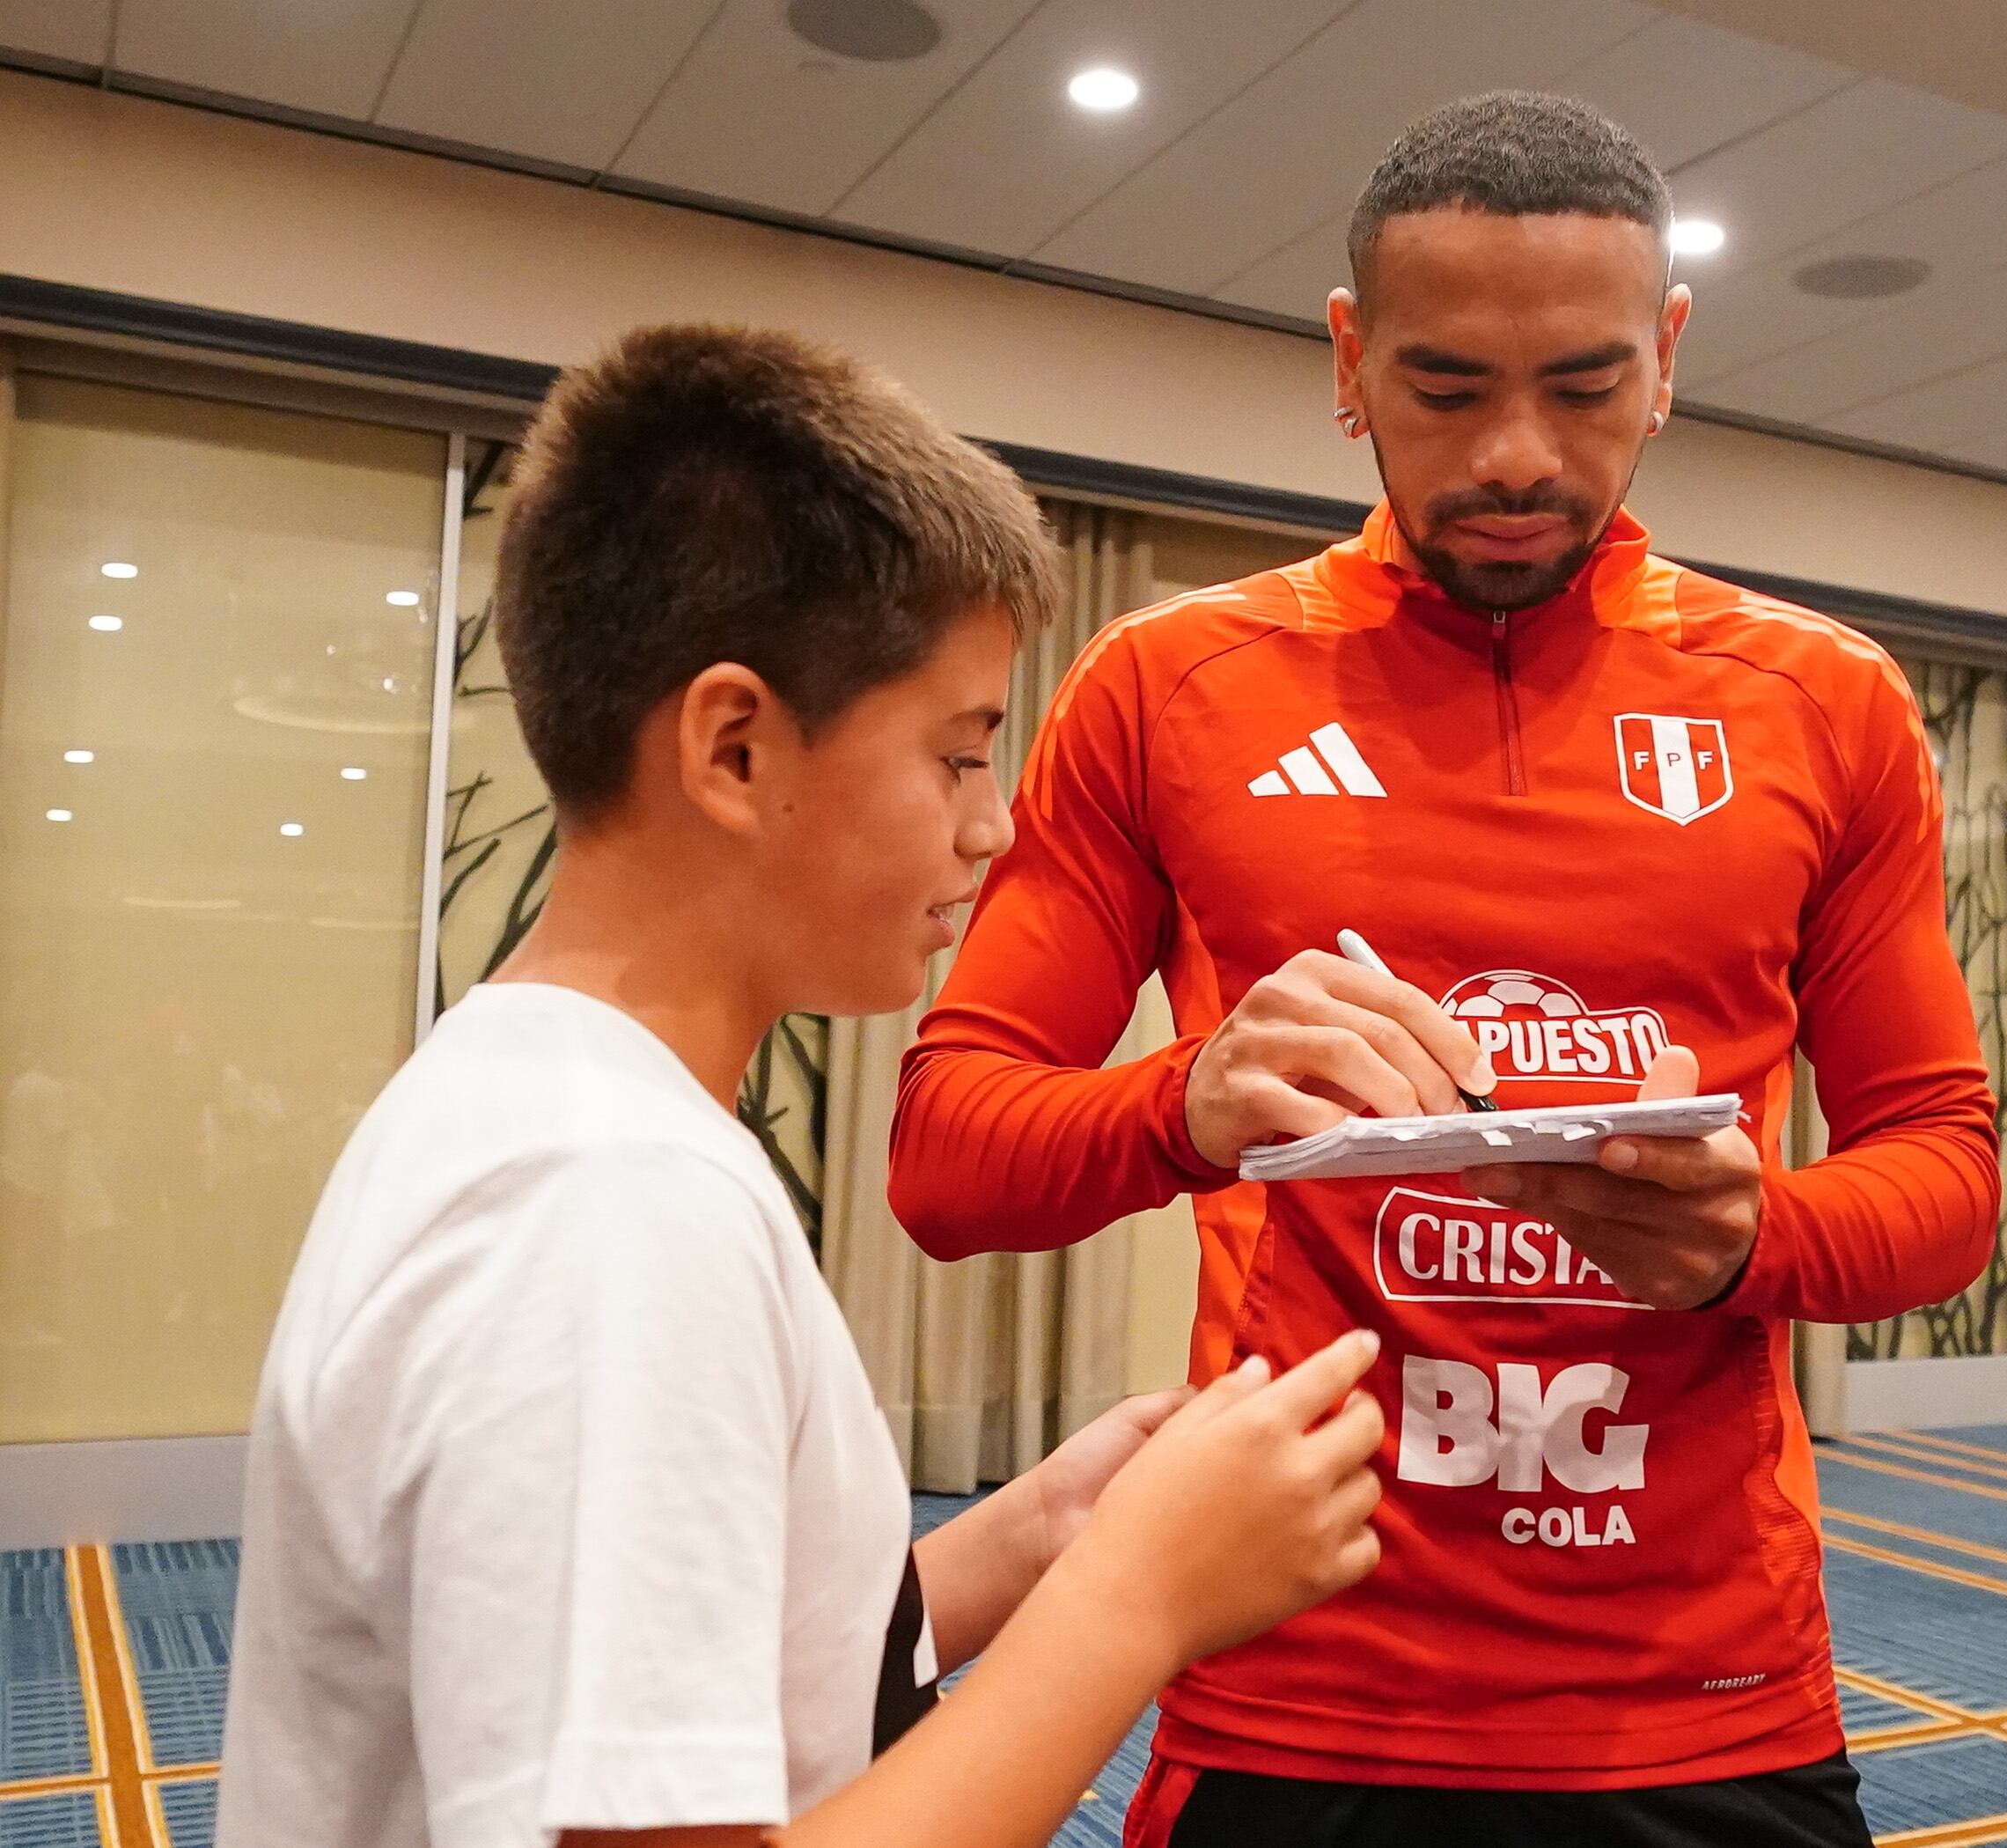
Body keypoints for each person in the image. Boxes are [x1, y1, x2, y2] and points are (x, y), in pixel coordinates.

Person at [889, 92, 2001, 1848]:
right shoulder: (1170, 687)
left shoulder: (1825, 703)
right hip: (1295, 1689)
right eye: (1445, 386)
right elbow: (948, 1157)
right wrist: (1190, 1102)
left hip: (1705, 1709)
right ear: (1348, 360)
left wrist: (1752, 1239)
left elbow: (1947, 1177)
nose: (1517, 459)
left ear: (1668, 359)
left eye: (1582, 385)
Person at [215, 324, 1388, 1848]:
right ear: (735, 748)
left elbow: (725, 1681)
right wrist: (1134, 1603)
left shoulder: (554, 1109)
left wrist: (1037, 1539)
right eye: (958, 757)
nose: (990, 831)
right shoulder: (606, 1207)